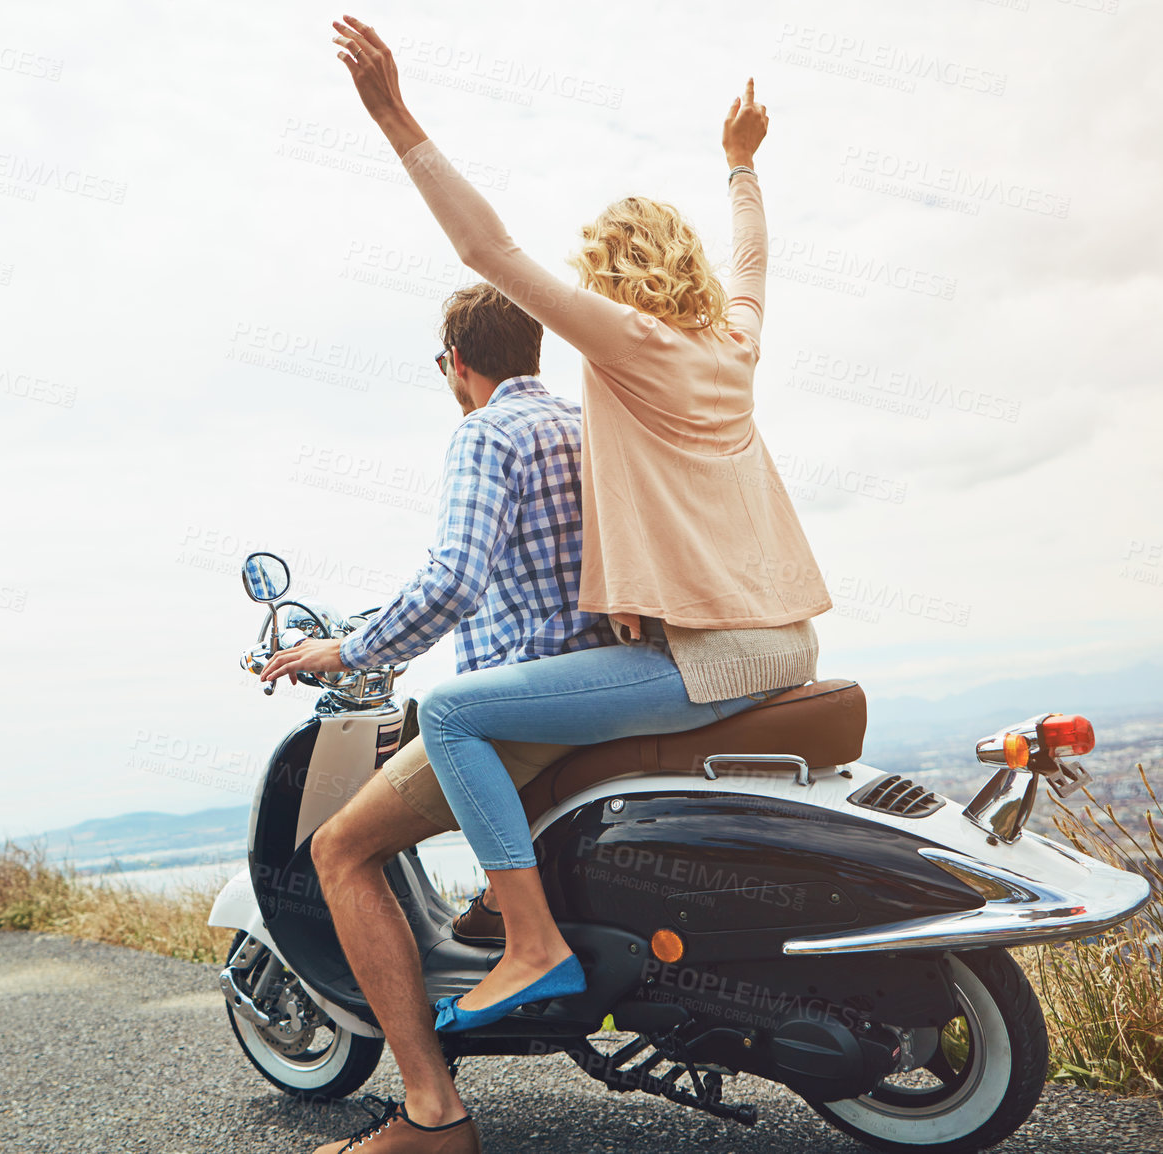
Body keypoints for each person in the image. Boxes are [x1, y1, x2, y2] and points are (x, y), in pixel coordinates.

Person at [272, 15, 838, 1153]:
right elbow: (752, 265)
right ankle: (514, 925)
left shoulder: (626, 345)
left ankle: (527, 948)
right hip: (785, 642)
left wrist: (392, 116)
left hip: (707, 655)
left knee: (466, 707)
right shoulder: (729, 344)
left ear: (612, 280)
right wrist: (739, 161)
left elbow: (487, 250)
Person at [260, 281, 613, 1154]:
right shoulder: (582, 423)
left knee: (341, 851)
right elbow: (505, 575)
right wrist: (390, 627)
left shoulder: (485, 431)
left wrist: (346, 652)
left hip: (523, 710)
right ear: (535, 347)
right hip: (604, 684)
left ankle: (431, 1111)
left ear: (456, 364)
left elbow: (454, 577)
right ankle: (498, 922)